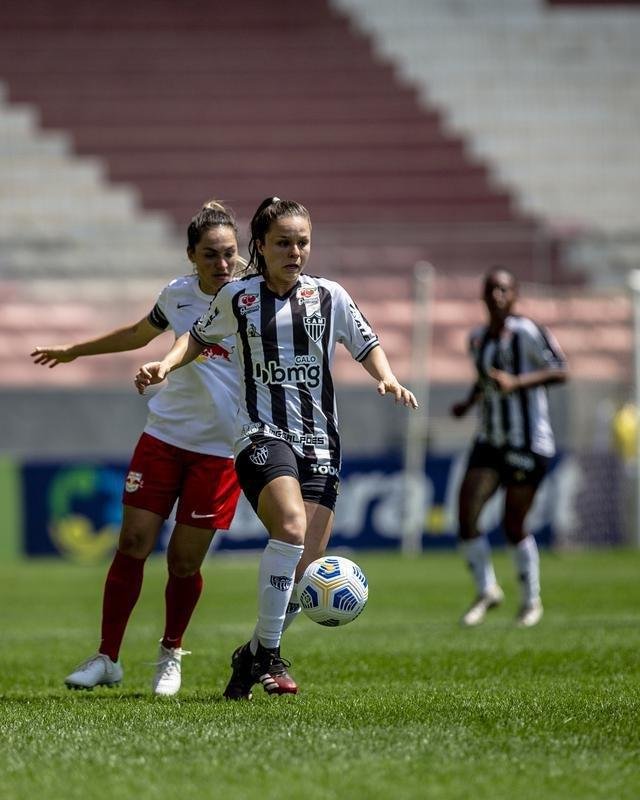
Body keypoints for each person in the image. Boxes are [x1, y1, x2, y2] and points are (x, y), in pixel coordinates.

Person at [135, 197, 418, 699]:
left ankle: (252, 655)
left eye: (303, 242)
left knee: (306, 565)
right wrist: (165, 364)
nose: (295, 251)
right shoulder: (238, 298)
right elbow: (197, 338)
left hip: (322, 441)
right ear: (260, 247)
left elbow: (365, 341)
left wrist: (388, 378)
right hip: (262, 435)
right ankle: (269, 655)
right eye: (283, 243)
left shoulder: (330, 295)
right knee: (288, 528)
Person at [30, 201, 244, 695]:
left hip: (220, 450)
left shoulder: (251, 298)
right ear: (191, 255)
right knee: (131, 544)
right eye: (211, 254)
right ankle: (107, 657)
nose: (222, 264)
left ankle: (171, 654)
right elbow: (137, 332)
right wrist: (75, 350)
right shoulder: (177, 294)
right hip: (165, 436)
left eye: (229, 253)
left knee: (184, 563)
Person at [450, 267, 568, 628]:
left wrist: (517, 382)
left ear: (515, 295)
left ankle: (531, 601)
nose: (498, 296)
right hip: (490, 440)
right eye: (492, 290)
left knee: (512, 523)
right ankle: (487, 589)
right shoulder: (477, 338)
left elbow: (560, 371)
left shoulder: (528, 333)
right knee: (466, 514)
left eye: (504, 290)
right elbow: (484, 379)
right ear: (484, 297)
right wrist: (468, 404)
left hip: (528, 443)